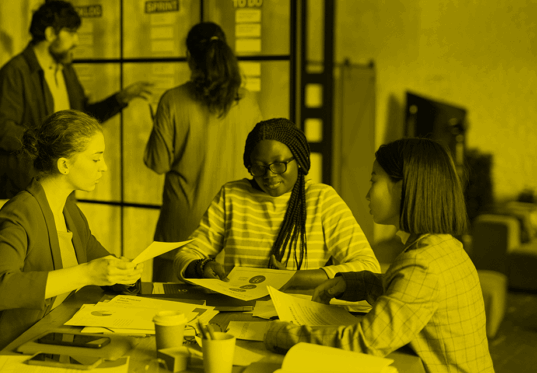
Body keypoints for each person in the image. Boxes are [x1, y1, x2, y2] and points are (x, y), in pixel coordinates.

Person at [264, 138, 494, 373]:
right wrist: (353, 283)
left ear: (404, 188)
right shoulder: (446, 247)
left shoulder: (422, 266)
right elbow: (405, 295)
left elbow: (361, 343)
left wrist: (279, 332)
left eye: (374, 180)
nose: (366, 194)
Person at [0, 110, 144, 373]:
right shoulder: (19, 213)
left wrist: (126, 274)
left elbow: (104, 264)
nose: (104, 166)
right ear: (64, 165)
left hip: (47, 340)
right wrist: (86, 273)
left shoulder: (70, 212)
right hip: (3, 353)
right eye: (96, 158)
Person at [174, 118, 380, 288]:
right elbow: (186, 253)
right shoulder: (232, 195)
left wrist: (295, 279)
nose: (269, 175)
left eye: (279, 165)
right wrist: (201, 266)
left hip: (300, 314)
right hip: (241, 310)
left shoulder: (322, 199)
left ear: (299, 160)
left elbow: (368, 267)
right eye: (259, 167)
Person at [0, 0, 152, 199]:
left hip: (62, 182)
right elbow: (0, 130)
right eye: (71, 32)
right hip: (30, 189)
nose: (76, 41)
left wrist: (120, 99)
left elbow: (81, 119)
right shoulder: (13, 73)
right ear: (50, 34)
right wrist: (48, 143)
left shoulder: (65, 70)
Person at [144, 21, 262, 282]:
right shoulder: (248, 101)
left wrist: (157, 125)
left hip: (179, 230)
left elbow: (157, 163)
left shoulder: (172, 100)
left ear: (188, 57)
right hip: (231, 225)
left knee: (168, 307)